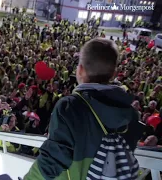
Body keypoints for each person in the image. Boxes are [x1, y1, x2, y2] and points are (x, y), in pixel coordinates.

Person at [24, 38, 144, 179]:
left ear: (80, 70)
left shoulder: (69, 107)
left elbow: (53, 160)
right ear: (113, 74)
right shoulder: (132, 115)